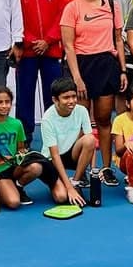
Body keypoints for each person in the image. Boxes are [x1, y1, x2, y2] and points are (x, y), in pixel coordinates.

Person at [61, 0, 128, 188]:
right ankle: (88, 169)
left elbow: (118, 39)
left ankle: (106, 168)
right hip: (81, 65)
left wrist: (122, 69)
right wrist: (77, 78)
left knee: (103, 120)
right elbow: (68, 46)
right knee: (82, 122)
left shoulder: (112, 5)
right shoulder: (72, 8)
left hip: (106, 66)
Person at [17, 0, 64, 144]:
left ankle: (53, 135)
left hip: (51, 51)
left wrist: (48, 40)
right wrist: (30, 41)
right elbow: (14, 18)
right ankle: (24, 137)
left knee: (52, 95)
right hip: (27, 53)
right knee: (24, 96)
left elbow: (61, 18)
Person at [0, 87, 50, 210]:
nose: (4, 106)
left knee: (36, 167)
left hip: (14, 167)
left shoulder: (17, 124)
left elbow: (20, 150)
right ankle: (5, 189)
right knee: (14, 202)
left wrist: (20, 156)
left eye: (7, 102)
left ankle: (18, 186)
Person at [38, 77, 93, 205]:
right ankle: (61, 183)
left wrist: (93, 171)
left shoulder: (82, 111)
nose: (72, 101)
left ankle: (76, 180)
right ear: (55, 100)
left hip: (70, 153)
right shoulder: (47, 119)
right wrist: (68, 189)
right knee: (61, 197)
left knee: (90, 139)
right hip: (51, 160)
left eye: (74, 96)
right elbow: (55, 155)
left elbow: (90, 144)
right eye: (66, 98)